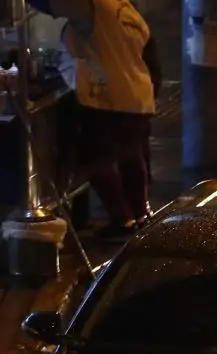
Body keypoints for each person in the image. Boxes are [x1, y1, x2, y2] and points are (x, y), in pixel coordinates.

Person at [30, 0, 155, 236]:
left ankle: (122, 219)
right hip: (137, 91)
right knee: (130, 154)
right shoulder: (122, 6)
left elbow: (48, 4)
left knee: (95, 160)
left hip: (108, 96)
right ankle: (140, 215)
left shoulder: (92, 6)